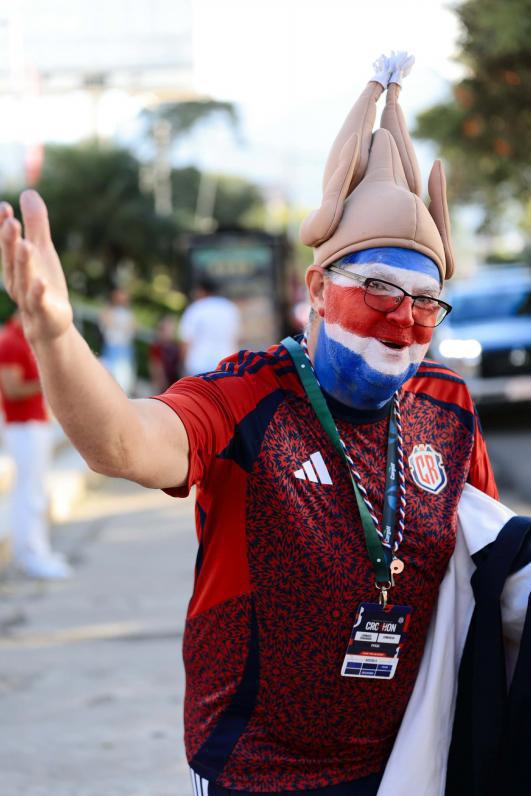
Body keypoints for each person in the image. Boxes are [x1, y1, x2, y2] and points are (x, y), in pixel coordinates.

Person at [0, 52, 528, 795]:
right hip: (256, 767)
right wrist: (57, 337)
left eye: (424, 301)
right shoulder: (248, 395)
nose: (402, 319)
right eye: (377, 287)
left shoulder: (446, 406)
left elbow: (489, 556)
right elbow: (122, 444)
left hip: (410, 761)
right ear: (317, 287)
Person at [0, 310, 71, 578]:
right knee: (28, 491)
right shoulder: (9, 341)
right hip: (22, 426)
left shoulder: (25, 339)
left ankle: (37, 549)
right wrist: (47, 382)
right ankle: (30, 553)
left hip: (34, 423)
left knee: (36, 490)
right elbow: (12, 388)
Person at [179, 276, 240, 375]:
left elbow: (186, 341)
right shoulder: (230, 308)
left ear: (201, 290)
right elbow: (236, 338)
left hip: (198, 365)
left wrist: (182, 365)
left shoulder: (196, 309)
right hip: (226, 364)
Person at [99, 286, 136, 395]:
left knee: (123, 383)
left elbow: (132, 329)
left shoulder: (128, 313)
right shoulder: (108, 311)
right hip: (112, 348)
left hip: (124, 349)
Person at [148, 315, 183, 393]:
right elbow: (155, 366)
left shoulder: (175, 346)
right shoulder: (158, 346)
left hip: (174, 381)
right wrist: (159, 382)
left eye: (171, 329)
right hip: (163, 382)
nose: (169, 332)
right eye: (166, 329)